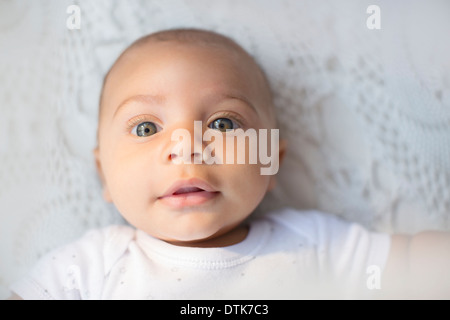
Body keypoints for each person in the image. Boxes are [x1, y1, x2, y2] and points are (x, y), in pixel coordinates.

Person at [8, 28, 450, 299]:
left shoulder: (314, 243)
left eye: (223, 121)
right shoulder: (92, 265)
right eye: (146, 128)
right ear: (103, 173)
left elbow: (415, 266)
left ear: (271, 159)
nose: (188, 147)